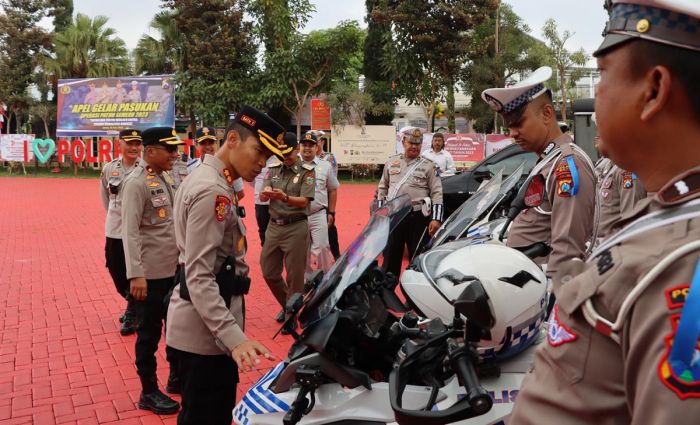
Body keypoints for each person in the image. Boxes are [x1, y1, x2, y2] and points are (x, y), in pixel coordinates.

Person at [510, 1, 700, 423]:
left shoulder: (682, 266)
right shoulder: (665, 226)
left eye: (602, 76)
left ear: (653, 89)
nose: (595, 95)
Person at [166, 106, 283, 425]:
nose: (262, 163)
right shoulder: (212, 191)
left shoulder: (213, 180)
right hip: (205, 338)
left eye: (267, 156)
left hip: (203, 329)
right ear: (233, 139)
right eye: (259, 151)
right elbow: (199, 277)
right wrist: (235, 339)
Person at [481, 66, 596, 279]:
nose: (512, 133)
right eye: (508, 126)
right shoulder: (548, 160)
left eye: (518, 123)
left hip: (542, 290)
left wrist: (553, 300)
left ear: (546, 114)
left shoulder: (567, 166)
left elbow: (567, 251)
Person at [121, 127, 183, 414]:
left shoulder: (166, 175)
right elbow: (130, 232)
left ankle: (175, 377)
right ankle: (148, 390)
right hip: (150, 275)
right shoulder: (135, 183)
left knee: (176, 326)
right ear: (151, 151)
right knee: (148, 334)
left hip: (172, 268)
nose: (175, 154)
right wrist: (136, 274)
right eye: (169, 150)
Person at [259, 133, 315, 327]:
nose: (285, 157)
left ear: (296, 148)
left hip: (296, 227)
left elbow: (305, 201)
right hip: (274, 226)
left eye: (288, 152)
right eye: (281, 153)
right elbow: (264, 191)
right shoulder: (273, 168)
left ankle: (291, 316)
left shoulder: (307, 172)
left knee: (294, 276)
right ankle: (288, 305)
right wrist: (265, 195)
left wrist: (285, 198)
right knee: (269, 271)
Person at [376, 128, 444, 277]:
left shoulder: (430, 166)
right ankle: (386, 291)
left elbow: (437, 193)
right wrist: (381, 216)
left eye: (418, 143)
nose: (414, 146)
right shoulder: (391, 162)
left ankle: (414, 294)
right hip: (394, 217)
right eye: (411, 142)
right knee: (390, 259)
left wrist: (436, 218)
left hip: (417, 218)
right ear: (403, 142)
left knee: (418, 258)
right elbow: (382, 189)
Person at [100, 129, 142, 336]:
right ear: (120, 144)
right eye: (130, 143)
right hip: (115, 229)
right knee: (116, 269)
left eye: (137, 143)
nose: (134, 147)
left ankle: (133, 312)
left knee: (135, 271)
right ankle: (133, 303)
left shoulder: (146, 170)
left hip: (138, 232)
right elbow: (106, 198)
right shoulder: (109, 169)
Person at [592, 115, 647, 244]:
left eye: (601, 131)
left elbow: (630, 222)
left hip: (614, 246)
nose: (597, 136)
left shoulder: (627, 168)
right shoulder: (606, 164)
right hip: (597, 245)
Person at [300, 132, 339, 276]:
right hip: (298, 215)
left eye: (311, 145)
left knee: (322, 247)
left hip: (318, 214)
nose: (307, 148)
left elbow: (333, 190)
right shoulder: (293, 166)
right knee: (301, 250)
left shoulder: (326, 166)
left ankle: (325, 278)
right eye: (304, 145)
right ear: (300, 147)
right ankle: (307, 280)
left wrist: (331, 212)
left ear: (317, 147)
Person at [187, 126, 245, 200]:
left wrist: (224, 204)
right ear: (196, 145)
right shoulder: (190, 168)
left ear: (216, 143)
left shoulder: (230, 166)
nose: (208, 147)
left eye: (211, 142)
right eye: (203, 143)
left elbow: (240, 193)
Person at [316, 132, 341, 259]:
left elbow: (332, 181)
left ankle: (336, 255)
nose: (316, 143)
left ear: (322, 142)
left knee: (330, 228)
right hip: (310, 200)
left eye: (318, 141)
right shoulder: (303, 158)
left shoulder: (329, 158)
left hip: (325, 199)